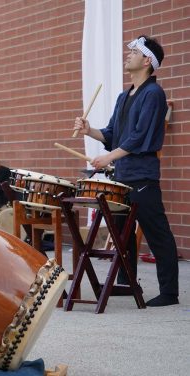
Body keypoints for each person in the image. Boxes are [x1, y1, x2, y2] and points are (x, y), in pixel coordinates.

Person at [74, 35, 178, 307]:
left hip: (142, 176)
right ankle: (127, 284)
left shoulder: (154, 94)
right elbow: (112, 134)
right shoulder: (124, 95)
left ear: (147, 61)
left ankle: (169, 292)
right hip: (122, 177)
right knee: (122, 235)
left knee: (157, 233)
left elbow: (138, 137)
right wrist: (90, 131)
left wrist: (109, 156)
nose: (127, 54)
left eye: (134, 51)